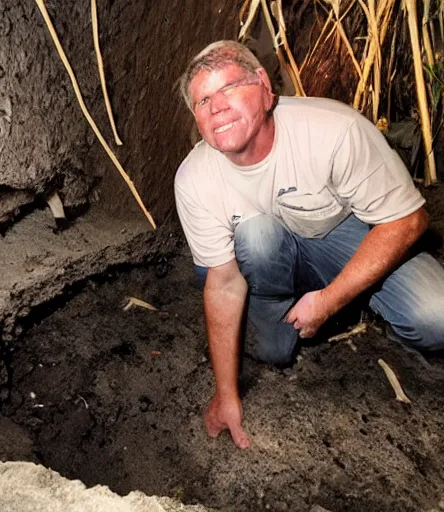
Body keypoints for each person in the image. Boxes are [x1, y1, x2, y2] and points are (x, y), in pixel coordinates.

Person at [174, 40, 444, 450]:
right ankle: (285, 317)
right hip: (268, 259)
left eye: (229, 88)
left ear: (264, 87)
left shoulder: (333, 130)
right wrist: (226, 394)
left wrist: (330, 300)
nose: (216, 107)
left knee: (436, 317)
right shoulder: (194, 178)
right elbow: (224, 282)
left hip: (342, 238)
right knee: (271, 331)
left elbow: (408, 220)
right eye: (203, 100)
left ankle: (356, 302)